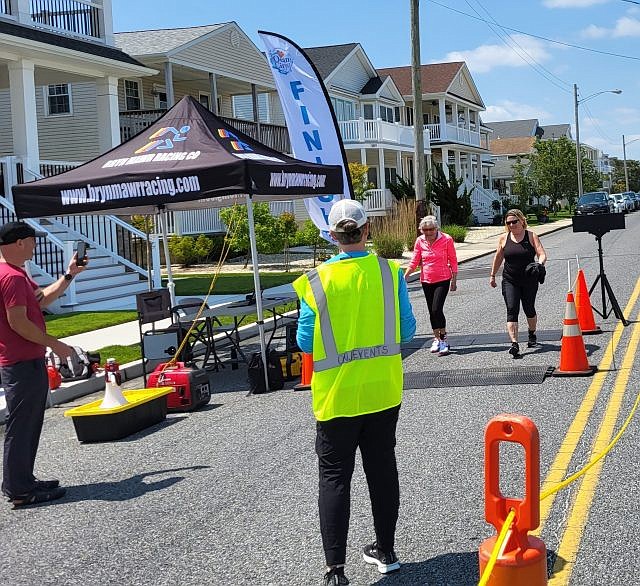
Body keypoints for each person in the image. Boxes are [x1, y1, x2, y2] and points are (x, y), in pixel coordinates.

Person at [293, 199, 416, 586]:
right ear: (367, 231)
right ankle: (387, 551)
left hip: (337, 398)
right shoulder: (389, 272)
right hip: (382, 391)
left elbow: (304, 341)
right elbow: (408, 331)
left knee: (334, 479)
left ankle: (335, 571)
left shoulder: (316, 281)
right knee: (381, 471)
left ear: (331, 236)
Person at [0, 221, 87, 508]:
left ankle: (22, 480)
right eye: (32, 240)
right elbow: (18, 322)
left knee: (27, 424)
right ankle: (20, 489)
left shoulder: (15, 274)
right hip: (21, 362)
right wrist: (56, 344)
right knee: (22, 425)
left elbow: (41, 300)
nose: (36, 245)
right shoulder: (10, 277)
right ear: (20, 243)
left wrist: (69, 275)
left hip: (24, 361)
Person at [489, 209, 547, 358]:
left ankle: (532, 333)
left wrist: (539, 264)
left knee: (529, 309)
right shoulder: (503, 238)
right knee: (512, 309)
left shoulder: (531, 236)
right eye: (509, 223)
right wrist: (492, 275)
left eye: (515, 221)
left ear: (522, 220)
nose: (512, 225)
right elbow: (498, 257)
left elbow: (541, 253)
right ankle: (514, 343)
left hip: (529, 279)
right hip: (510, 279)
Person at [404, 215, 458, 356]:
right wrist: (405, 276)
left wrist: (454, 280)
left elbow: (453, 259)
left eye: (431, 229)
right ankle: (436, 338)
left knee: (436, 309)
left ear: (437, 228)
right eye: (425, 230)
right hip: (426, 279)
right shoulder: (420, 241)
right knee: (431, 311)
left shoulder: (446, 239)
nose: (428, 232)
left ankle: (444, 339)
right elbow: (415, 260)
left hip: (443, 278)